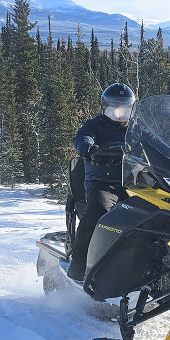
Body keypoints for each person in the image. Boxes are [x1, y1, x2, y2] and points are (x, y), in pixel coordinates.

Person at [67, 83, 136, 281]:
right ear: (105, 107)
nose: (119, 113)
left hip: (137, 184)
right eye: (114, 107)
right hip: (103, 182)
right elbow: (81, 138)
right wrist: (90, 150)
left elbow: (155, 141)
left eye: (124, 108)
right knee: (100, 212)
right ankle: (78, 267)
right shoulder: (95, 124)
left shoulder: (136, 128)